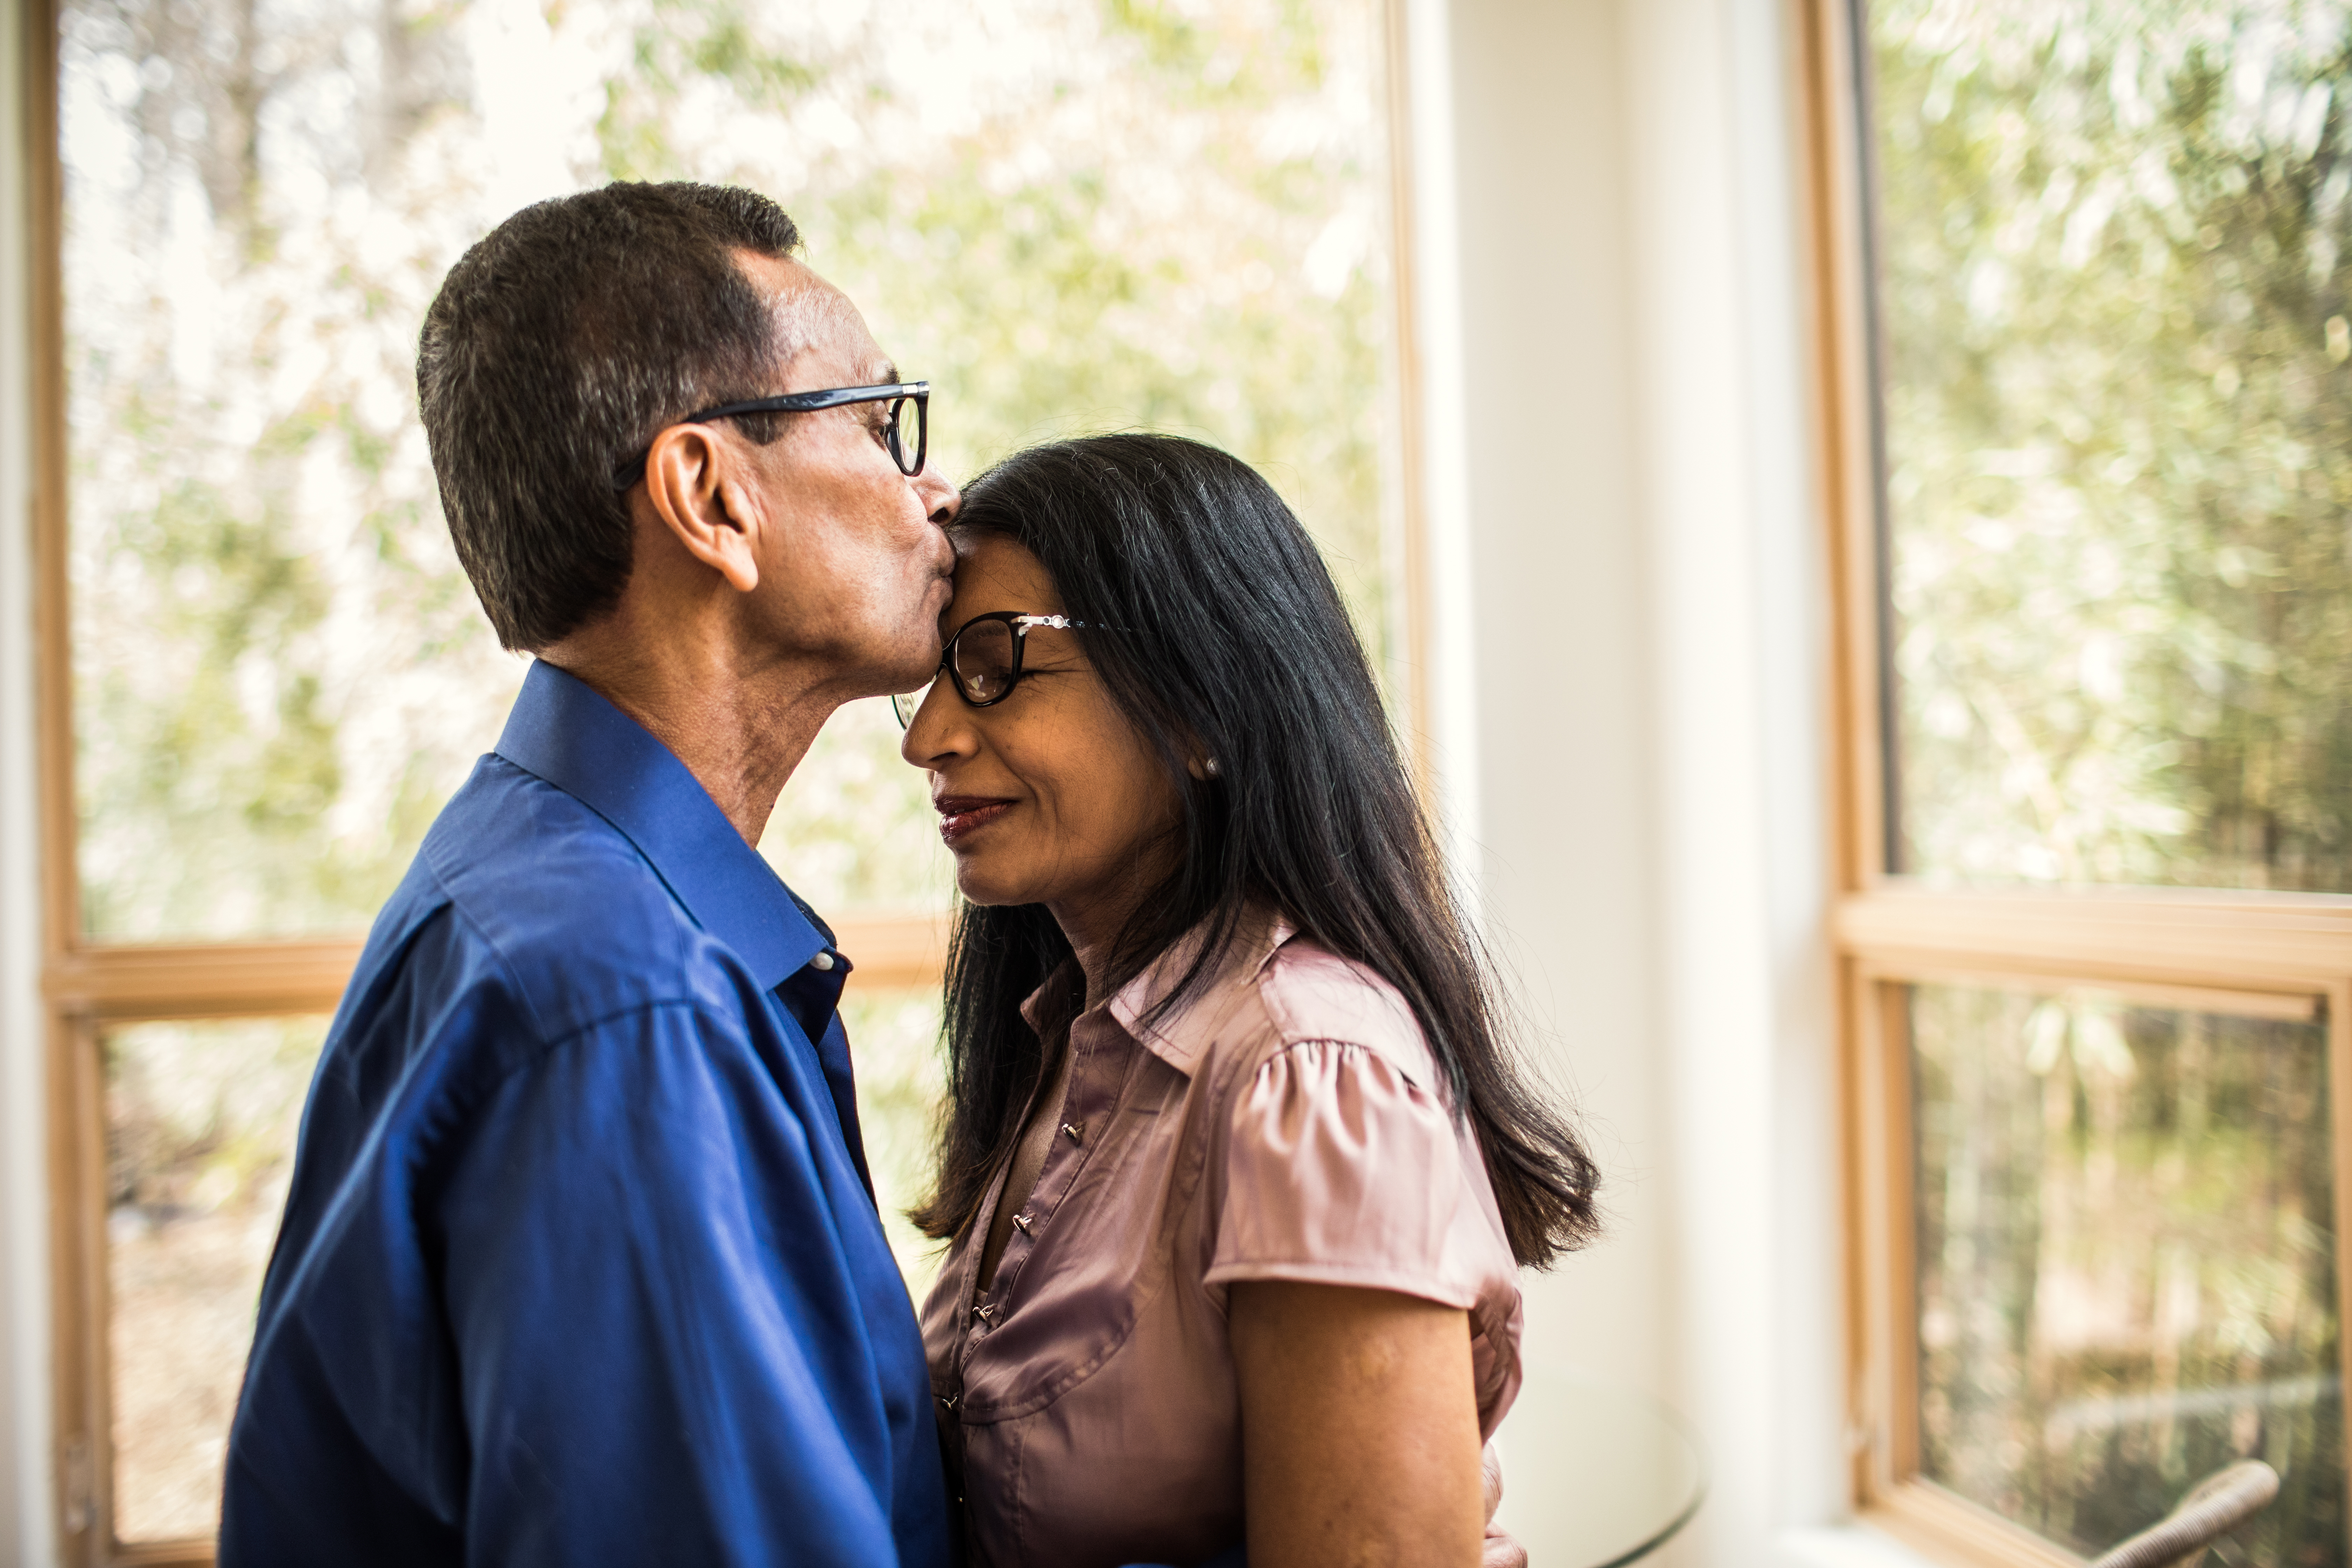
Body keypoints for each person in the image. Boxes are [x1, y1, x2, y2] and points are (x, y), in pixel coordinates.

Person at [219, 182, 960, 1566]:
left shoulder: (554, 900)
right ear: (709, 494)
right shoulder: (623, 1004)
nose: (937, 488)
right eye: (879, 422)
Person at [894, 433, 1601, 1568]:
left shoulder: (1313, 1076)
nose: (929, 734)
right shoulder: (1064, 1048)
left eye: (995, 663)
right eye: (932, 673)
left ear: (1199, 711)